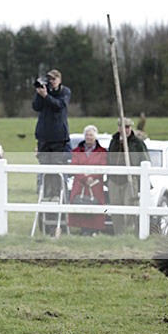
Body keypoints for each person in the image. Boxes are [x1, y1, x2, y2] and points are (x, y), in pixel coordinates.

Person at [107, 117, 150, 236]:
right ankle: (118, 234)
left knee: (130, 208)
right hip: (115, 180)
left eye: (127, 127)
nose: (125, 129)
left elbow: (145, 160)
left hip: (130, 180)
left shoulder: (137, 143)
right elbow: (109, 159)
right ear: (118, 128)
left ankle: (129, 233)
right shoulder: (114, 141)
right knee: (115, 208)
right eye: (122, 127)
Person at [33, 69, 71, 198]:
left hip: (58, 136)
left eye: (54, 79)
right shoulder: (44, 91)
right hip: (44, 135)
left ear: (60, 80)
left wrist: (46, 96)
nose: (51, 82)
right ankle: (46, 192)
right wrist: (39, 93)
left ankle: (56, 192)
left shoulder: (64, 92)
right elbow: (36, 107)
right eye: (50, 79)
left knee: (56, 165)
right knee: (44, 165)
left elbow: (59, 105)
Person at [68, 125, 107, 236]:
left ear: (95, 137)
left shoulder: (102, 152)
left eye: (91, 135)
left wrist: (92, 177)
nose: (89, 137)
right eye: (87, 135)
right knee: (80, 204)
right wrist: (85, 178)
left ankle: (94, 230)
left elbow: (103, 166)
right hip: (80, 183)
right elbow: (74, 165)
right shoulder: (76, 151)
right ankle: (83, 229)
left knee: (95, 206)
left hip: (95, 184)